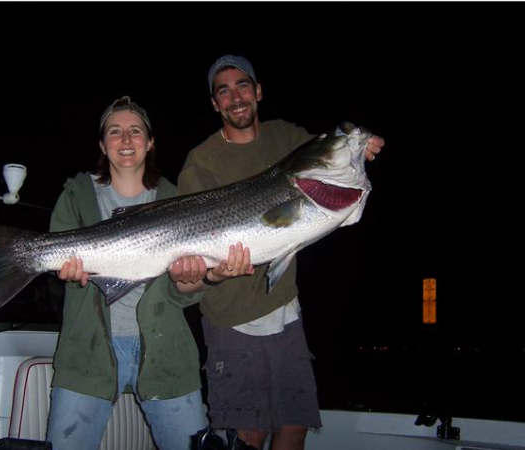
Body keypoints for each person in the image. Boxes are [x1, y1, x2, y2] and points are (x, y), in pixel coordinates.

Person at [173, 55, 385, 450]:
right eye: (224, 91)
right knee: (249, 435)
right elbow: (190, 269)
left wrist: (359, 145)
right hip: (232, 320)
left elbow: (325, 153)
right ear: (215, 104)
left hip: (286, 310)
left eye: (243, 86)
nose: (236, 97)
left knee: (294, 425)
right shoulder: (201, 162)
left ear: (258, 91)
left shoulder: (285, 137)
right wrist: (211, 272)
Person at [45, 96, 209, 450]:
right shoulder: (75, 196)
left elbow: (186, 292)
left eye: (135, 131)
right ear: (103, 145)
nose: (126, 139)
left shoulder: (177, 199)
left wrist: (190, 279)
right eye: (115, 132)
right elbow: (63, 278)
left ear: (150, 143)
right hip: (87, 351)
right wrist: (67, 272)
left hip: (166, 352)